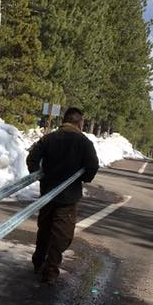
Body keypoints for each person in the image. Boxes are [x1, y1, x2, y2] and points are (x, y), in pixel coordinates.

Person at [26, 107, 99, 285]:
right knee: (61, 235)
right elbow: (92, 167)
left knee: (44, 229)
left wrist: (39, 175)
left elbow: (32, 159)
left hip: (48, 194)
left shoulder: (48, 138)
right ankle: (50, 272)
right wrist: (83, 178)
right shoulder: (84, 143)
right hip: (68, 198)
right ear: (79, 122)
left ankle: (38, 262)